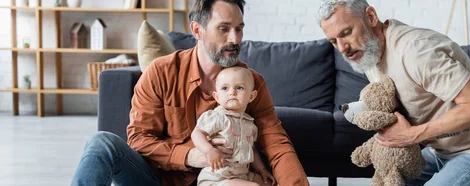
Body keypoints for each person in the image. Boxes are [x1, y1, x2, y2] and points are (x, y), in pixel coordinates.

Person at [70, 0, 309, 185]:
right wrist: (190, 156)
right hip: (159, 181)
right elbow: (139, 140)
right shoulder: (161, 72)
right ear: (197, 30)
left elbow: (276, 142)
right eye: (224, 29)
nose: (235, 39)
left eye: (239, 29)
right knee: (101, 142)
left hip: (225, 181)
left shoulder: (251, 83)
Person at [317, 0, 470, 185]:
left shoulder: (417, 51)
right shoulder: (368, 56)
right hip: (441, 153)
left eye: (346, 33)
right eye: (334, 41)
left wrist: (411, 135)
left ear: (370, 17)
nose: (343, 48)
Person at [192, 67, 276, 186]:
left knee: (264, 183)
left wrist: (262, 170)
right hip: (218, 177)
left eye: (239, 88)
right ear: (216, 97)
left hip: (241, 174)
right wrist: (209, 150)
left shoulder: (249, 124)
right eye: (225, 88)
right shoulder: (217, 116)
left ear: (251, 96)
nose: (232, 92)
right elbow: (197, 133)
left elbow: (252, 150)